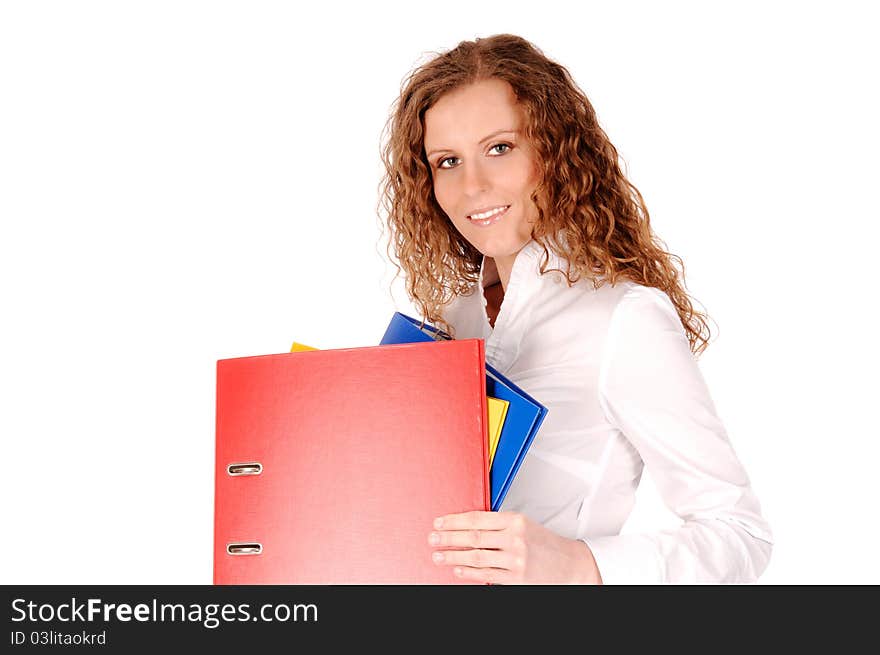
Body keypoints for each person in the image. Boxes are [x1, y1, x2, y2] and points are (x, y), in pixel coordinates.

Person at [378, 34, 773, 584]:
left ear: (556, 151)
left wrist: (579, 564)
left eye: (499, 148)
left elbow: (739, 535)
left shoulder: (623, 319)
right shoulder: (448, 319)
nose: (473, 186)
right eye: (447, 161)